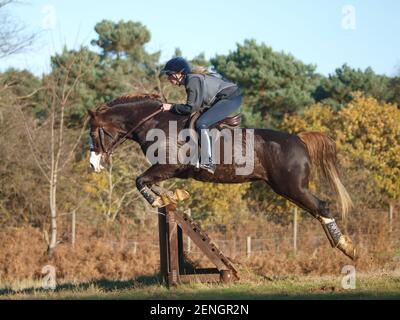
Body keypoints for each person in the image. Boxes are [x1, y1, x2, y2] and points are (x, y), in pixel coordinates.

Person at [160, 57, 242, 174]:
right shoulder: (192, 79)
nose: (168, 77)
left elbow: (190, 107)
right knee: (198, 119)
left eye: (169, 74)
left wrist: (171, 107)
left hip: (231, 97)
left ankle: (208, 161)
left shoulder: (192, 80)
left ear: (179, 74)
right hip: (226, 97)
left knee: (201, 123)